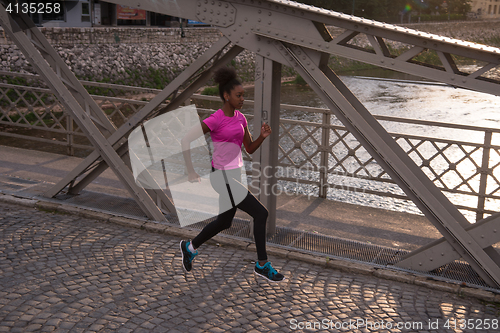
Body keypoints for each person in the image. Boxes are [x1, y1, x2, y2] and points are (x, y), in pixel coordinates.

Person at [179, 67, 285, 282]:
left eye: (243, 95)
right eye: (239, 95)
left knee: (224, 222)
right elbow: (186, 139)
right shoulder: (215, 119)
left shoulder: (241, 118)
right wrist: (190, 170)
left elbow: (249, 148)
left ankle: (189, 247)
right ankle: (262, 265)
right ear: (226, 96)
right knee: (261, 213)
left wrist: (262, 136)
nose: (242, 98)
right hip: (221, 176)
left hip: (235, 174)